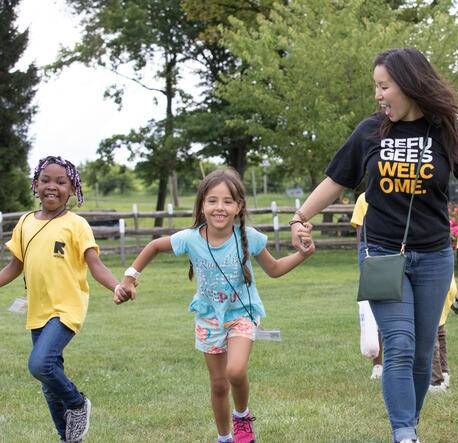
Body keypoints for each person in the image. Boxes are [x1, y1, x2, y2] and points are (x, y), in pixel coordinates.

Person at [289, 47, 458, 443]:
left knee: (422, 350)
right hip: (381, 253)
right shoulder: (369, 132)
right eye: (376, 87)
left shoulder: (449, 133)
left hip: (433, 255)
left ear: (411, 85)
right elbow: (335, 180)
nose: (378, 96)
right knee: (398, 343)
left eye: (384, 86)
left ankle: (408, 427)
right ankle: (404, 434)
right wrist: (300, 218)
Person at [115, 168, 314, 443]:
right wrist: (129, 278)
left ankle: (242, 417)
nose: (219, 207)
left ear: (238, 207)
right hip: (208, 319)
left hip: (242, 314)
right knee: (219, 384)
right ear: (201, 205)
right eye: (212, 200)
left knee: (235, 371)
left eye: (227, 201)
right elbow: (154, 247)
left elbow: (275, 269)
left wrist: (302, 256)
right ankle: (224, 438)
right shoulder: (190, 238)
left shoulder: (250, 238)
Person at [0, 156, 131, 443]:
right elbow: (14, 267)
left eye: (61, 182)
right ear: (35, 185)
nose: (52, 186)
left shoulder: (76, 224)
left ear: (72, 189)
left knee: (41, 366)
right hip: (38, 309)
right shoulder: (23, 223)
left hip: (66, 309)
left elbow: (94, 264)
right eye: (46, 180)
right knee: (49, 382)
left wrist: (116, 286)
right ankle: (69, 438)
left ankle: (76, 403)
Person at [351, 192, 384, 379]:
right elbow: (360, 232)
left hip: (397, 254)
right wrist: (364, 261)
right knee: (374, 311)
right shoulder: (364, 198)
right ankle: (377, 364)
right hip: (372, 256)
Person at [429, 276, 457, 393]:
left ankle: (436, 381)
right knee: (439, 330)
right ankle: (444, 373)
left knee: (431, 333)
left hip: (433, 284)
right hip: (448, 284)